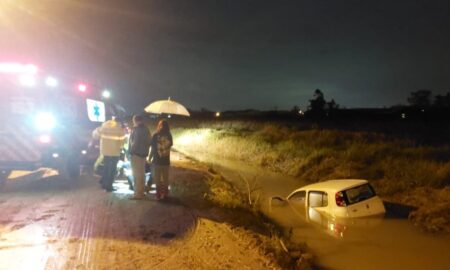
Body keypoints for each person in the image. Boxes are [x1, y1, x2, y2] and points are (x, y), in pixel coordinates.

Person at [92, 117, 126, 192]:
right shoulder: (119, 129)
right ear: (119, 122)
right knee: (112, 169)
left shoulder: (104, 126)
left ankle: (103, 182)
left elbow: (95, 135)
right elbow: (122, 142)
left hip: (105, 151)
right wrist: (120, 148)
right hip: (115, 152)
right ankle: (109, 186)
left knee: (106, 167)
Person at [149, 119, 173, 200]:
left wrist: (149, 157)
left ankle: (158, 195)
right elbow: (170, 146)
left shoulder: (155, 135)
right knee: (166, 178)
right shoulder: (169, 136)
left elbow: (152, 148)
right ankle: (165, 194)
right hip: (166, 161)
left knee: (157, 179)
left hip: (157, 161)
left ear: (159, 126)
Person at [129, 114, 151, 200]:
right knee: (142, 174)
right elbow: (149, 141)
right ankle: (142, 192)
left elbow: (135, 142)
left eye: (133, 120)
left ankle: (138, 194)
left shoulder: (136, 129)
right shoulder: (146, 129)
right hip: (143, 154)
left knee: (136, 174)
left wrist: (131, 151)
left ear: (135, 120)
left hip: (136, 155)